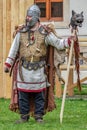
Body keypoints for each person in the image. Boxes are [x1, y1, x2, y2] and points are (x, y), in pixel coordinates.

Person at [4, 4, 75, 124]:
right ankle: (24, 116)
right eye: (27, 16)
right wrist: (8, 64)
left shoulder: (44, 33)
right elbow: (14, 49)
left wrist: (69, 40)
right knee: (23, 94)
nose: (27, 18)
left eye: (30, 16)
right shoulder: (20, 33)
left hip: (39, 70)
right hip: (23, 71)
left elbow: (58, 43)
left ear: (36, 17)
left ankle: (38, 116)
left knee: (39, 95)